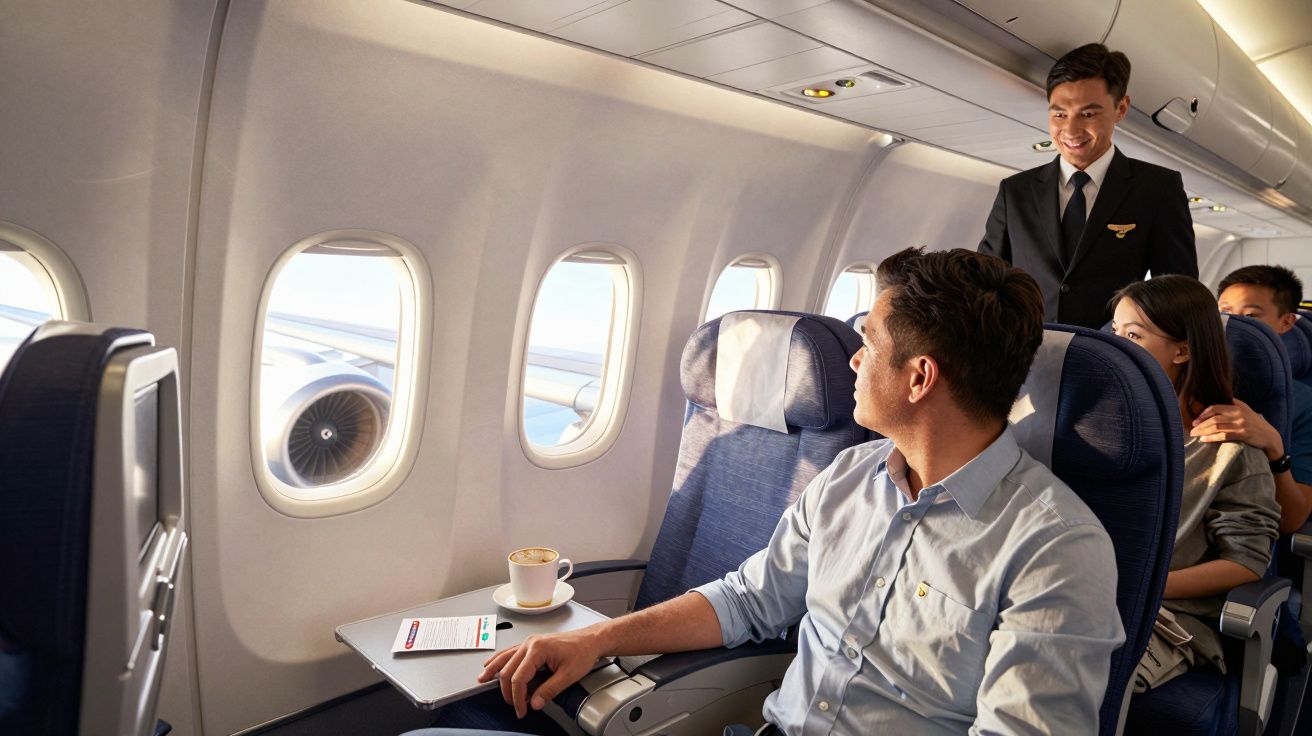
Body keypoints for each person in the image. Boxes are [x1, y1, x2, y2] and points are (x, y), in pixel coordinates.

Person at [428, 248, 1124, 735]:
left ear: (918, 378)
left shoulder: (1055, 549)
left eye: (870, 342)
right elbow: (747, 599)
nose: (852, 358)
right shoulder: (850, 479)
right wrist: (598, 640)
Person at [1109, 275, 1280, 681]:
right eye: (1113, 333)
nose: (1116, 350)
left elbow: (1246, 560)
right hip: (1079, 597)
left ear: (1182, 350)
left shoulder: (1229, 444)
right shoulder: (1091, 427)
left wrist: (1145, 586)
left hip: (1164, 617)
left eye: (1133, 335)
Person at [979, 43, 1197, 329]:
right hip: (1026, 358)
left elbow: (1178, 293)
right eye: (1059, 114)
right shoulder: (1016, 191)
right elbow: (983, 283)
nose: (1070, 131)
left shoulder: (1157, 188)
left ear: (1121, 108)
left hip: (1112, 356)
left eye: (1088, 114)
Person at [1203, 265, 1312, 532]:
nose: (1233, 325)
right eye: (1224, 312)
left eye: (1250, 315)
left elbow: (1292, 518)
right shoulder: (1182, 379)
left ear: (1286, 322)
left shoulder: (1303, 404)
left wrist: (1274, 447)